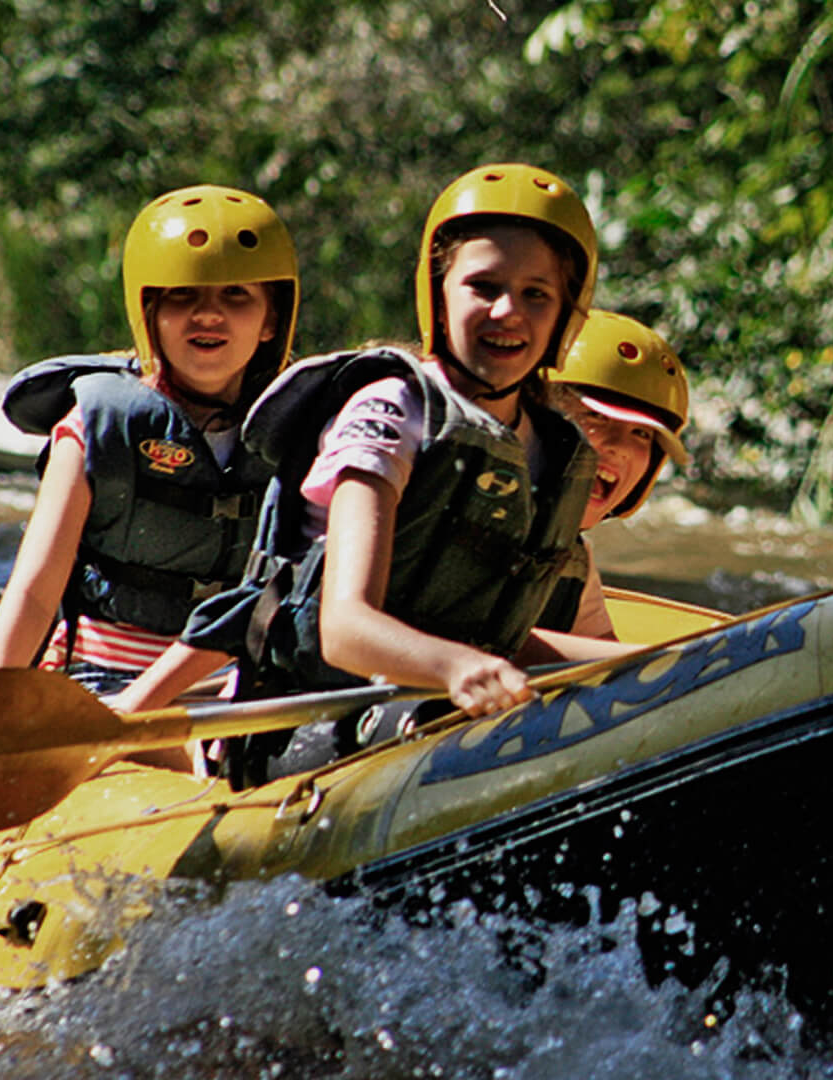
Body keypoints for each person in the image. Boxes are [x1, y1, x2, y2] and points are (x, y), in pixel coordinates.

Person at [116, 163, 599, 746]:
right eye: (484, 286)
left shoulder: (549, 450)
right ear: (438, 295)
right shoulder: (392, 410)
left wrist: (673, 661)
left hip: (444, 712)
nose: (507, 312)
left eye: (536, 294)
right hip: (309, 728)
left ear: (566, 313)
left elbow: (498, 636)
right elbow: (343, 628)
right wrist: (456, 668)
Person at [0, 184, 297, 697]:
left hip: (232, 686)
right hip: (93, 681)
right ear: (148, 312)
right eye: (183, 295)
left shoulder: (300, 432)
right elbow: (36, 589)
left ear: (271, 321)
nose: (208, 314)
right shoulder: (94, 424)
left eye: (235, 295)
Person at [533, 309, 692, 649]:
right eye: (596, 416)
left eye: (641, 433)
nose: (620, 447)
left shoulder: (573, 559)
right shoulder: (474, 516)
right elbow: (474, 645)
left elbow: (608, 651)